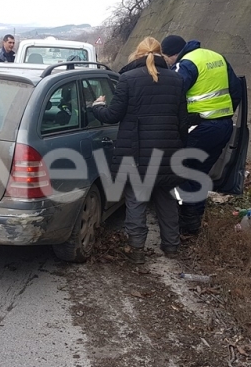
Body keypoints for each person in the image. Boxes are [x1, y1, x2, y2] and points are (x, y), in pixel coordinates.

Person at [90, 36, 188, 264]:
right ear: (160, 53)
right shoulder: (176, 80)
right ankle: (171, 246)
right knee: (166, 198)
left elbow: (113, 115)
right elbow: (183, 121)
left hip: (136, 153)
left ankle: (137, 251)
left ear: (138, 53)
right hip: (167, 152)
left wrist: (97, 107)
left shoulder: (127, 79)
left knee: (137, 199)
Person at [160, 34, 241, 236]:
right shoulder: (216, 57)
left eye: (166, 58)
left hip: (200, 127)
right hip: (223, 126)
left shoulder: (185, 64)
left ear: (172, 54)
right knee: (199, 172)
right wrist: (225, 114)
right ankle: (193, 221)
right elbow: (236, 91)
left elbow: (173, 94)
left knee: (177, 167)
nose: (168, 62)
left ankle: (186, 217)